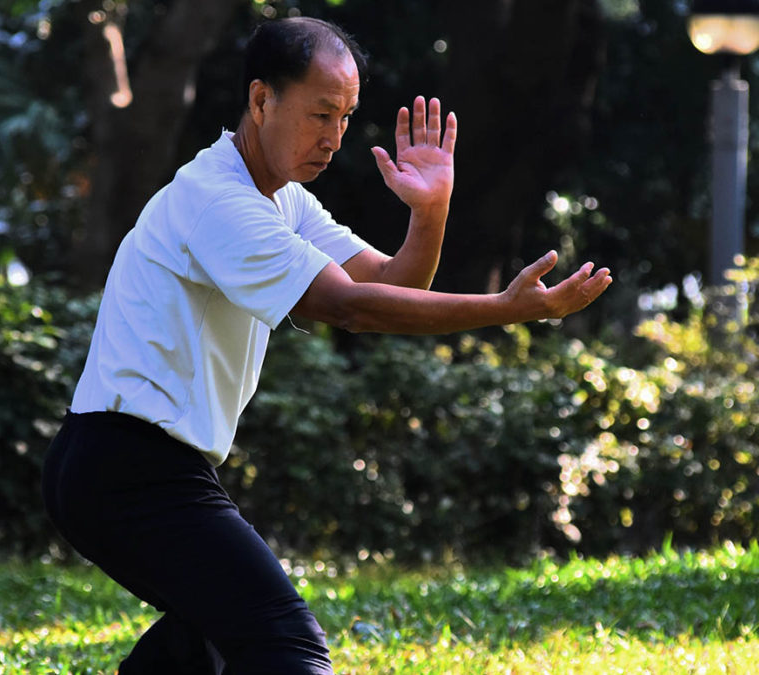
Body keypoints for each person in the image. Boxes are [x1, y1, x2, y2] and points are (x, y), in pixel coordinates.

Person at [41, 16, 612, 675]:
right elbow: (351, 309)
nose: (334, 137)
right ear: (261, 100)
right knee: (286, 644)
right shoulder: (219, 201)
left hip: (128, 465)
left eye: (345, 116)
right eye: (320, 114)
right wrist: (502, 309)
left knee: (215, 636)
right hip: (126, 466)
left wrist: (429, 211)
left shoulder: (282, 200)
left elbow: (393, 282)